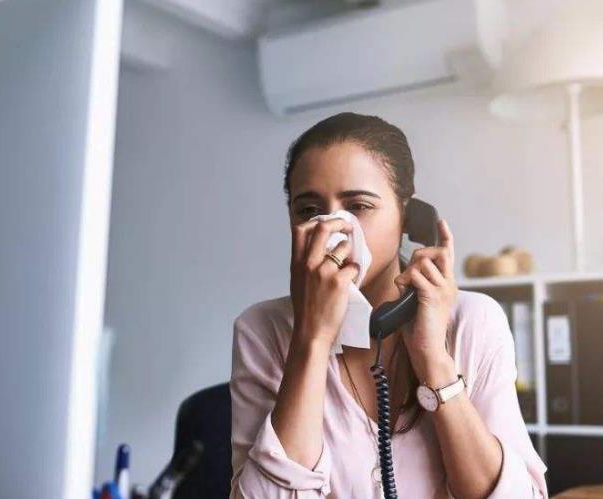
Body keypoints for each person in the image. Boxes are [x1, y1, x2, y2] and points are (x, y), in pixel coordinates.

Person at [229, 112, 548, 498]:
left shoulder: (474, 321)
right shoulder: (261, 329)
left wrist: (434, 359)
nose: (334, 228)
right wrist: (311, 339)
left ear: (408, 218)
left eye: (359, 206)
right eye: (309, 211)